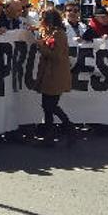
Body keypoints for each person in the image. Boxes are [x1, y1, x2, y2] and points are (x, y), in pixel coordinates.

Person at [35, 9, 74, 146]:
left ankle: (69, 126)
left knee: (50, 105)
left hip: (56, 74)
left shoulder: (59, 34)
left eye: (43, 18)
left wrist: (41, 47)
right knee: (47, 106)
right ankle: (49, 135)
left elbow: (56, 55)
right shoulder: (49, 32)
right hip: (48, 73)